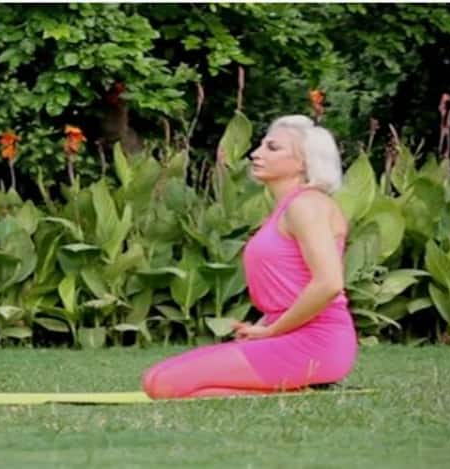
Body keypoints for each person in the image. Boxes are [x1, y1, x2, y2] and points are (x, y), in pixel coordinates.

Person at [141, 115, 357, 399]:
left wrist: (272, 331)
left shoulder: (307, 205)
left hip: (317, 342)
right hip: (285, 335)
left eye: (273, 148)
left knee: (164, 385)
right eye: (261, 145)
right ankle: (293, 387)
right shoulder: (287, 208)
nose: (256, 153)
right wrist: (262, 327)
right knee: (154, 378)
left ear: (304, 162)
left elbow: (329, 283)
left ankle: (297, 388)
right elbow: (291, 285)